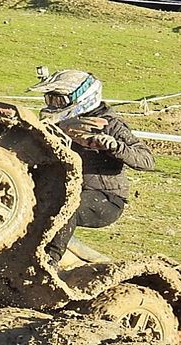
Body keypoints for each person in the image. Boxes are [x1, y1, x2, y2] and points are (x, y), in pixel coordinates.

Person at [29, 69, 155, 263]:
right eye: (49, 99)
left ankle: (49, 262)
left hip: (107, 198)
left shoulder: (111, 125)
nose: (53, 106)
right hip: (65, 189)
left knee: (67, 205)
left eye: (59, 101)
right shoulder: (59, 123)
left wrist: (114, 146)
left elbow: (147, 160)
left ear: (82, 98)